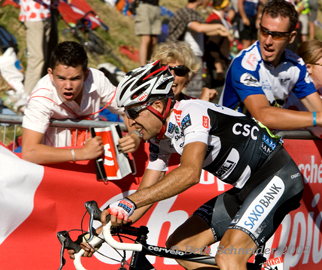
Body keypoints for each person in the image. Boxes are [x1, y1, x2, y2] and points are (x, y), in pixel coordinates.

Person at [69, 61, 305, 270]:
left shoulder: (192, 113)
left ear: (158, 107)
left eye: (133, 112)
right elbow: (145, 196)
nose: (129, 122)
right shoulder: (160, 139)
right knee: (180, 247)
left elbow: (190, 173)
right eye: (125, 113)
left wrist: (130, 202)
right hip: (245, 189)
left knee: (229, 257)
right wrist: (96, 238)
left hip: (277, 176)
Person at [220, 0, 322, 131]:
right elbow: (263, 115)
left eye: (277, 35)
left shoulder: (297, 64)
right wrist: (320, 117)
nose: (268, 41)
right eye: (264, 32)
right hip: (230, 142)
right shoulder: (245, 64)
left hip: (262, 145)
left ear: (291, 37)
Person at [21, 41, 135, 165]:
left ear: (86, 75)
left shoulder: (96, 79)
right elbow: (29, 152)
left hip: (93, 162)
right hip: (54, 167)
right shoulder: (41, 98)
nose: (68, 86)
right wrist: (81, 153)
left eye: (75, 78)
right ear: (51, 74)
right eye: (61, 78)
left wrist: (135, 136)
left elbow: (130, 110)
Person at [121, 41, 219, 154]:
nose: (172, 76)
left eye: (180, 71)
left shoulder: (195, 104)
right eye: (166, 70)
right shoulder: (142, 100)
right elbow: (130, 114)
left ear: (188, 79)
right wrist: (135, 135)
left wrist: (203, 105)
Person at [167, 0, 231, 98]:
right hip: (190, 56)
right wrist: (219, 26)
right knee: (192, 89)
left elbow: (203, 32)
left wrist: (219, 31)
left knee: (195, 87)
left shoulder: (195, 14)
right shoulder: (186, 12)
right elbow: (199, 28)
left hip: (196, 55)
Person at [19, 0, 59, 95]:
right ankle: (28, 94)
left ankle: (39, 92)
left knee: (45, 58)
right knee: (37, 58)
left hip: (46, 13)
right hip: (34, 15)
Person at [204, 0, 233, 89]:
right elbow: (212, 45)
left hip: (222, 62)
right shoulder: (215, 21)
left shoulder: (220, 19)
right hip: (217, 66)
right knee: (218, 94)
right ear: (224, 5)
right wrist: (219, 67)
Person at [134, 0, 162, 66]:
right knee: (146, 38)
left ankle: (149, 65)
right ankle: (143, 67)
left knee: (153, 41)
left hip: (156, 7)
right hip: (144, 6)